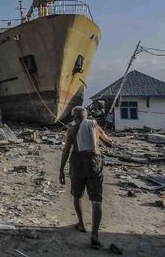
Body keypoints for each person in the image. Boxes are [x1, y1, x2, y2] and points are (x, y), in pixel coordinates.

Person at [59, 106, 114, 249]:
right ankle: (94, 235)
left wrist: (61, 170)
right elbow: (110, 143)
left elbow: (66, 150)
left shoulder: (71, 129)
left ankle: (82, 224)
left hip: (77, 162)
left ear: (74, 116)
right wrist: (104, 138)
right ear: (86, 115)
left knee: (77, 195)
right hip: (93, 161)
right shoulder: (94, 125)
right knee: (96, 200)